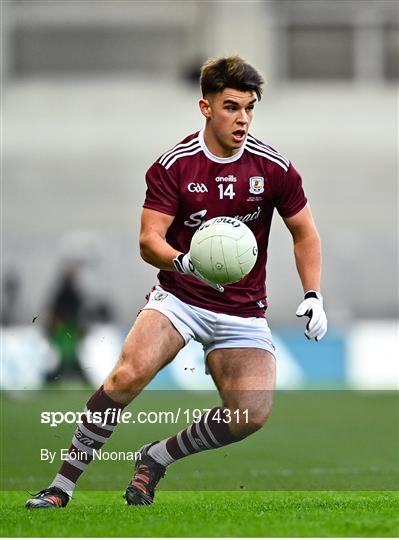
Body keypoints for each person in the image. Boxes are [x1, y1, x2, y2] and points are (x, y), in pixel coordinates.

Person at [26, 55, 327, 508]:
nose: (242, 118)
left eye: (249, 107)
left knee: (250, 415)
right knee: (126, 377)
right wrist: (185, 263)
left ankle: (156, 457)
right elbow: (149, 241)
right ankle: (61, 486)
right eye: (231, 107)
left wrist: (313, 294)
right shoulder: (175, 166)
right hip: (179, 296)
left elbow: (305, 232)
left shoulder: (273, 168)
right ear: (205, 107)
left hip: (243, 309)